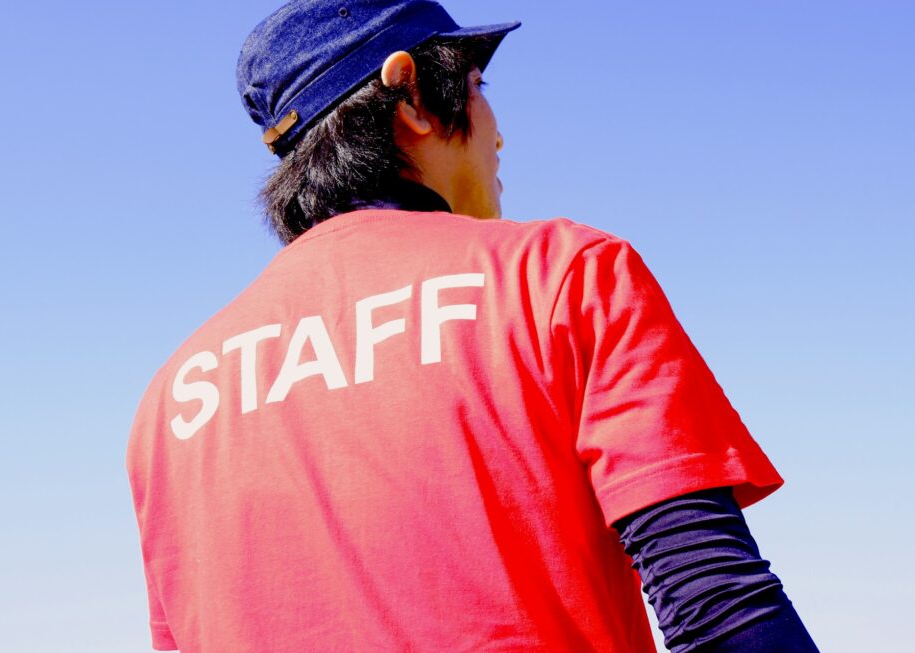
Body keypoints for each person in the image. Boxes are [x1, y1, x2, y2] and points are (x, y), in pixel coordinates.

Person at [126, 1, 820, 651]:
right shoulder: (561, 275)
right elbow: (717, 601)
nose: (498, 130)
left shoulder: (170, 401)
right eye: (480, 85)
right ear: (415, 98)